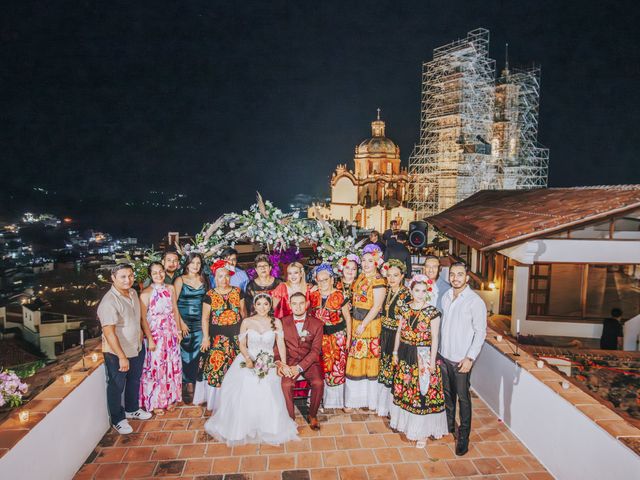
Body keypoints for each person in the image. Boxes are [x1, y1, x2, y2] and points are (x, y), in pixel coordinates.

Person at [204, 294, 299, 446]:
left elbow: (281, 344)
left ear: (270, 306)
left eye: (266, 304)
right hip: (249, 357)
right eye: (259, 304)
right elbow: (242, 345)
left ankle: (268, 426)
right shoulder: (247, 321)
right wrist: (248, 359)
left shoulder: (276, 322)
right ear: (254, 306)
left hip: (268, 360)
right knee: (246, 383)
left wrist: (283, 364)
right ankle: (244, 425)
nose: (262, 307)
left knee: (269, 385)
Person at [390, 274, 448, 447]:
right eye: (417, 290)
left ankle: (422, 433)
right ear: (411, 290)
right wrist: (394, 352)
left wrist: (431, 361)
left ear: (427, 292)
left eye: (424, 291)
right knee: (407, 390)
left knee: (422, 392)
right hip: (405, 352)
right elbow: (399, 332)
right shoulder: (404, 308)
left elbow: (436, 338)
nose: (420, 294)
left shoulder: (432, 312)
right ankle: (409, 426)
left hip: (423, 355)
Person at [97, 264, 152, 435]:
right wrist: (121, 356)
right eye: (123, 276)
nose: (128, 279)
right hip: (117, 352)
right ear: (113, 278)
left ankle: (132, 409)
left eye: (130, 275)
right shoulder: (109, 302)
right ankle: (118, 419)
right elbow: (109, 333)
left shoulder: (133, 293)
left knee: (134, 380)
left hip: (136, 347)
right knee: (116, 385)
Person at [439, 262, 487, 456]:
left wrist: (470, 358)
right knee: (447, 396)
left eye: (460, 274)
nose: (455, 278)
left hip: (461, 360)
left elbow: (481, 332)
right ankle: (450, 426)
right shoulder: (446, 296)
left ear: (467, 277)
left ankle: (464, 438)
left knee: (463, 399)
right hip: (444, 356)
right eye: (452, 274)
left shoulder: (475, 301)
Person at [194, 259, 247, 411]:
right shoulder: (209, 295)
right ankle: (217, 402)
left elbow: (243, 314)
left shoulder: (238, 292)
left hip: (236, 335)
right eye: (220, 276)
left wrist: (245, 335)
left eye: (227, 276)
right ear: (215, 278)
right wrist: (206, 337)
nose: (224, 279)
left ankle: (237, 399)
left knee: (238, 367)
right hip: (217, 338)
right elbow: (204, 318)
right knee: (217, 367)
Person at [345, 244, 386, 410]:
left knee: (369, 360)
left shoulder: (378, 281)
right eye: (364, 260)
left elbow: (376, 306)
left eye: (370, 260)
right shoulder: (361, 277)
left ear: (376, 262)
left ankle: (370, 400)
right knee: (356, 360)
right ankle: (355, 399)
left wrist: (363, 324)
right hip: (357, 322)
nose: (366, 263)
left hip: (369, 325)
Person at [139, 262, 183, 415]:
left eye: (161, 272)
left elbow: (175, 310)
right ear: (150, 275)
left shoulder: (170, 289)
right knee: (156, 368)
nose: (159, 275)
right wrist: (150, 339)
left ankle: (170, 398)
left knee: (171, 366)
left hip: (170, 334)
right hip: (156, 335)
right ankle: (155, 401)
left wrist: (178, 330)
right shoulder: (145, 293)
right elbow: (143, 319)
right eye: (155, 273)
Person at [308, 264, 352, 410]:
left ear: (332, 279)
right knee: (321, 368)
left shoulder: (340, 295)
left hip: (337, 337)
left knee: (338, 368)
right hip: (319, 338)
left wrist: (349, 339)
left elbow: (347, 318)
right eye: (319, 280)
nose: (322, 283)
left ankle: (340, 401)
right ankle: (320, 399)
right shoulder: (313, 295)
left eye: (325, 280)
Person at [279, 292, 324, 430]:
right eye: (294, 303)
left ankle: (312, 414)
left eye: (301, 303)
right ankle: (290, 419)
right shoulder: (282, 322)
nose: (298, 307)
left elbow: (315, 351)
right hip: (290, 361)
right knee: (286, 384)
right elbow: (277, 346)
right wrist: (280, 363)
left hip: (309, 362)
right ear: (289, 305)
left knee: (318, 382)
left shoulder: (317, 324)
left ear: (306, 304)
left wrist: (299, 367)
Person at [375, 259, 411, 417]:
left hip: (397, 337)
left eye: (395, 275)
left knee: (395, 371)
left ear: (402, 276)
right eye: (389, 275)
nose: (392, 279)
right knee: (384, 369)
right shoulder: (387, 290)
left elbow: (406, 320)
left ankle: (395, 409)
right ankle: (384, 406)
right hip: (384, 333)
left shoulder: (406, 294)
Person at [174, 253, 208, 403]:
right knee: (185, 355)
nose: (195, 266)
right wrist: (180, 323)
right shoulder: (180, 280)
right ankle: (187, 386)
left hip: (200, 323)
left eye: (198, 263)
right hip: (184, 323)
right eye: (193, 263)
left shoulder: (203, 279)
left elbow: (207, 302)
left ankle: (196, 386)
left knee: (198, 355)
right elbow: (173, 304)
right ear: (187, 264)